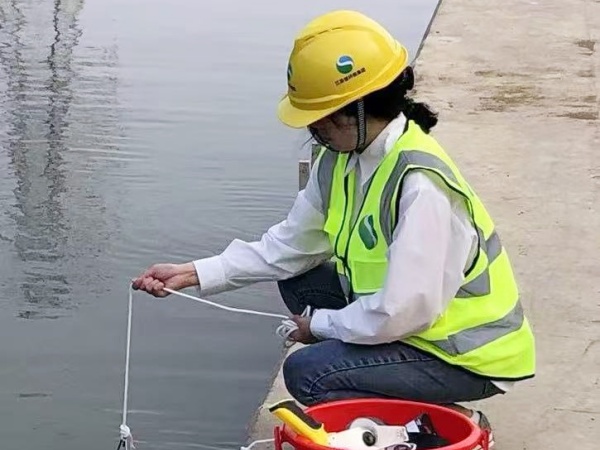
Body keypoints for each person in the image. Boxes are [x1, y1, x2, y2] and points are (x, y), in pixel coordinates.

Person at [132, 9, 535, 448]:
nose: (314, 130)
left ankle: (445, 421)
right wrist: (193, 273)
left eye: (321, 117)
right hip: (410, 324)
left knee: (309, 374)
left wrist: (320, 326)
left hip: (460, 353)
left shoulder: (422, 186)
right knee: (300, 281)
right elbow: (290, 247)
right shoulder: (340, 158)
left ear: (358, 109)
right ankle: (400, 393)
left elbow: (403, 310)